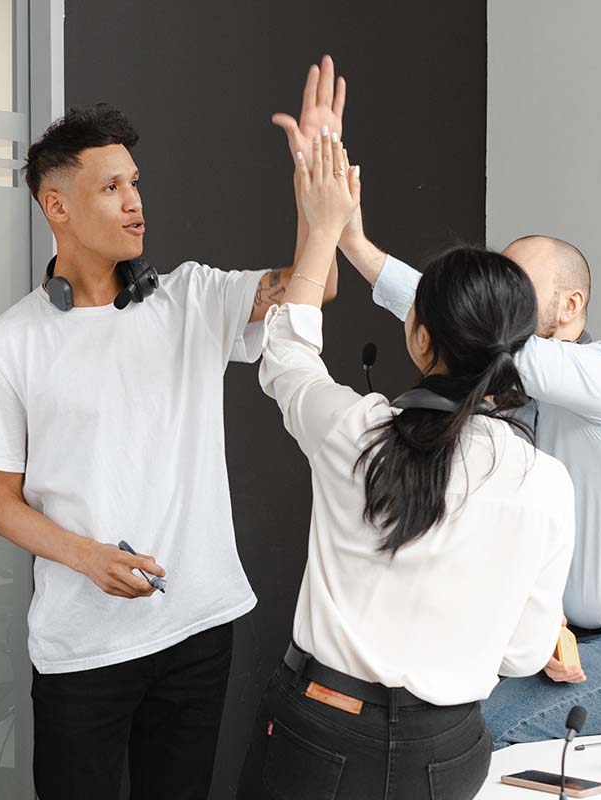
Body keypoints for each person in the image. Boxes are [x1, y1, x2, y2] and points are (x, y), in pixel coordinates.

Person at [0, 95, 341, 799]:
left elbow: (315, 289)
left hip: (198, 627)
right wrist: (88, 557)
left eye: (135, 182)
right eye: (111, 187)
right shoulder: (7, 345)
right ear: (57, 207)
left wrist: (313, 198)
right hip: (82, 646)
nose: (135, 202)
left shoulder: (192, 299)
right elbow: (0, 505)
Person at [237, 129, 576, 799]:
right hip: (447, 754)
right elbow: (524, 653)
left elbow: (286, 359)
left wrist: (322, 227)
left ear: (421, 337)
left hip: (321, 736)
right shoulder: (545, 482)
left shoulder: (358, 433)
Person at [336, 224, 601, 747]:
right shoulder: (521, 400)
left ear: (570, 305)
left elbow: (463, 326)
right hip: (581, 643)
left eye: (515, 283)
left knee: (475, 727)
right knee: (436, 699)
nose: (498, 297)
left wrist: (359, 249)